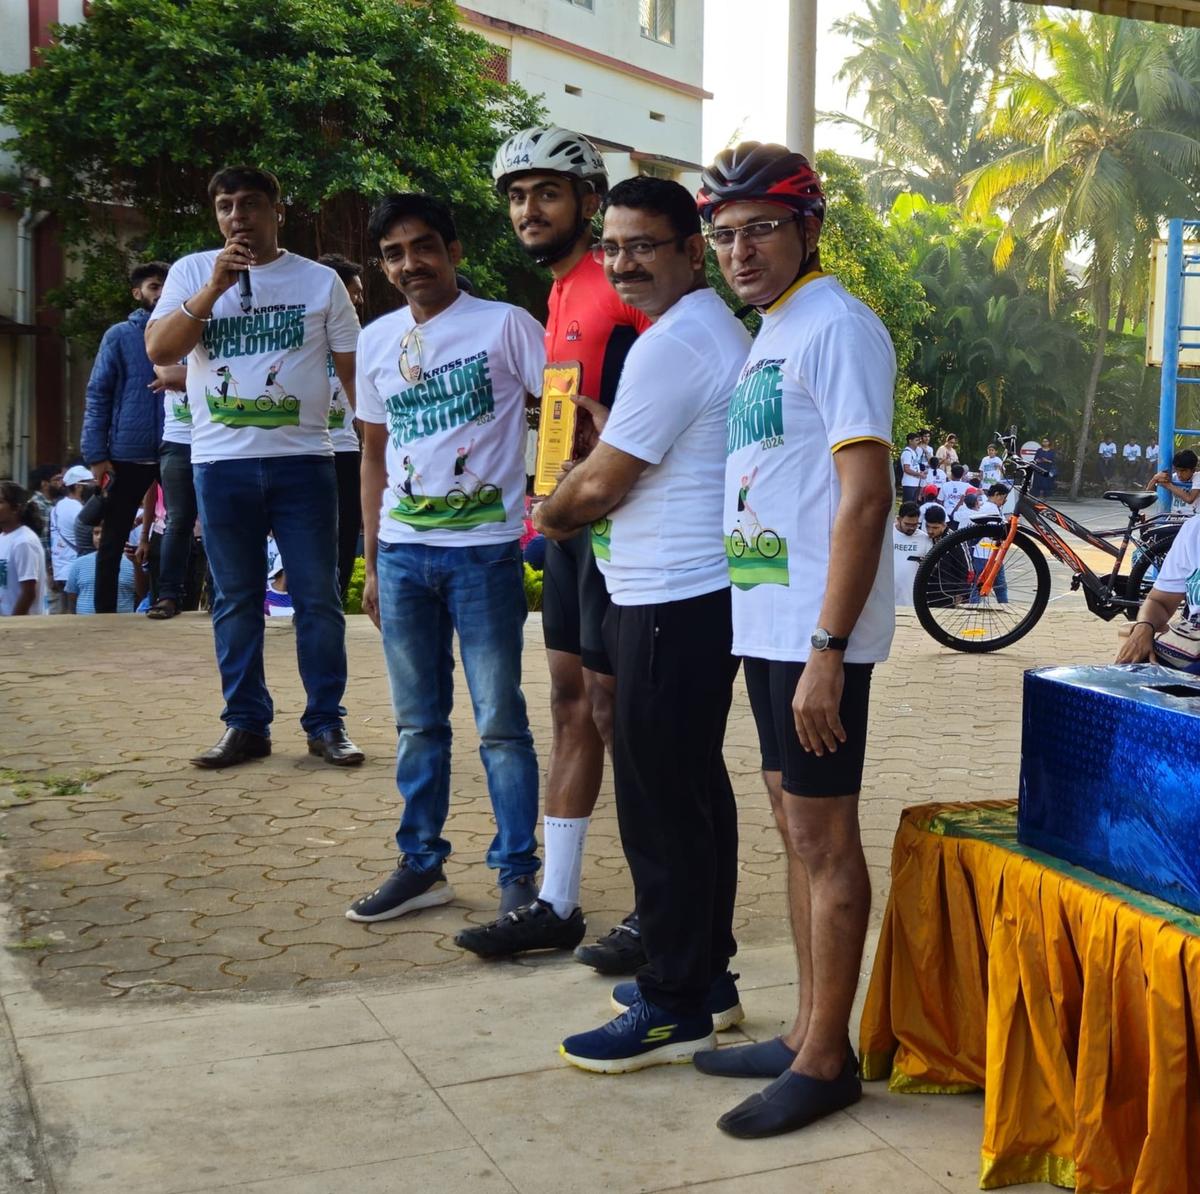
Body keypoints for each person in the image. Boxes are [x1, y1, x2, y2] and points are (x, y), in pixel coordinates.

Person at [692, 142, 896, 1138]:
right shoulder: (770, 336)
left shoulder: (837, 327)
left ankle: (827, 1059)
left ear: (808, 227)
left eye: (761, 227)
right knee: (790, 826)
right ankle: (808, 1027)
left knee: (823, 837)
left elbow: (865, 499)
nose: (739, 250)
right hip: (769, 626)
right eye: (723, 233)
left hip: (818, 638)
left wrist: (828, 645)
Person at [529, 176, 750, 1071]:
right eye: (613, 247)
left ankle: (669, 1000)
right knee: (694, 791)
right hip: (688, 595)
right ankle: (708, 977)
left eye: (644, 246)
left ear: (691, 252)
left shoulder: (676, 344)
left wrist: (547, 512)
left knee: (661, 805)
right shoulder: (705, 336)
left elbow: (603, 484)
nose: (623, 264)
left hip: (668, 598)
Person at [460, 126, 652, 970]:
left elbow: (673, 397)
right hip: (571, 526)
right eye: (515, 195)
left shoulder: (620, 285)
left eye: (546, 192)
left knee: (627, 717)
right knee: (570, 703)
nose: (527, 209)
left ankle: (663, 910)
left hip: (633, 531)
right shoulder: (559, 295)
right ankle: (557, 902)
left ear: (588, 200)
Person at [350, 193, 543, 924]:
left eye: (424, 247)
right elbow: (375, 451)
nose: (411, 264)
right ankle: (421, 865)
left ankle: (517, 873)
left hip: (484, 555)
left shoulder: (505, 325)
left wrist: (550, 505)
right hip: (401, 556)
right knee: (416, 724)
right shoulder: (376, 341)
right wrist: (371, 559)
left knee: (500, 721)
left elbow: (558, 409)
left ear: (455, 251)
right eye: (395, 254)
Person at [145, 165, 363, 769]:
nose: (237, 216)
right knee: (236, 599)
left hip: (304, 463)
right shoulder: (193, 272)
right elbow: (161, 350)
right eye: (225, 206)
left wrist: (381, 449)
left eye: (249, 204)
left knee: (318, 598)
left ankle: (326, 723)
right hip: (220, 465)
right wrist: (212, 287)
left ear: (277, 211)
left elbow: (355, 378)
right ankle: (245, 725)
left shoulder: (321, 283)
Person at [80, 262, 170, 614]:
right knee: (113, 538)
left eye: (166, 286)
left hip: (173, 450)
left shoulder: (186, 332)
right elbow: (98, 393)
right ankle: (103, 613)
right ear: (137, 293)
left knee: (181, 530)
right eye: (153, 286)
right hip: (125, 453)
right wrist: (96, 454)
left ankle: (170, 599)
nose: (160, 293)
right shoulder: (119, 335)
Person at [318, 253, 366, 603]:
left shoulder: (362, 339)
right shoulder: (302, 336)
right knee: (311, 531)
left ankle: (332, 601)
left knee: (348, 527)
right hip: (308, 450)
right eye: (355, 292)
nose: (359, 299)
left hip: (347, 448)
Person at [1116, 511, 1200, 664]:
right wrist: (1144, 627)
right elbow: (1160, 601)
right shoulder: (1194, 530)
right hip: (1189, 643)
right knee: (1125, 675)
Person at [65, 524, 138, 614]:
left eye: (104, 533)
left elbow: (139, 596)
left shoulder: (131, 563)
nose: (99, 537)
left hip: (121, 623)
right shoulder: (79, 564)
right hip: (85, 624)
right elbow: (72, 596)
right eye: (96, 533)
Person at [0, 481, 48, 616]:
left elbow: (28, 593)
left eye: (1, 502)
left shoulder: (24, 541)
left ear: (16, 508)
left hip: (21, 626)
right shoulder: (3, 537)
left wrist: (13, 623)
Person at [48, 465, 92, 611]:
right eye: (90, 483)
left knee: (66, 612)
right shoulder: (75, 508)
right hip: (74, 570)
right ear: (79, 486)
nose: (94, 486)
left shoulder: (59, 506)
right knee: (74, 612)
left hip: (62, 569)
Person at [892, 502, 931, 607]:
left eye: (915, 525)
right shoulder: (887, 534)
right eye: (907, 524)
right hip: (887, 598)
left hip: (911, 600)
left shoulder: (924, 539)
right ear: (899, 519)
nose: (911, 528)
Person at [1148, 449, 1198, 517]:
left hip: (1191, 519)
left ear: (1193, 470)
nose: (1179, 474)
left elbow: (1189, 499)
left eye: (1183, 471)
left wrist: (1169, 485)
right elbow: (1148, 493)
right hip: (1174, 518)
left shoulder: (1197, 477)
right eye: (1177, 470)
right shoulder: (1173, 477)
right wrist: (1154, 479)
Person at [899, 431, 925, 504]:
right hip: (909, 483)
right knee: (907, 505)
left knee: (912, 506)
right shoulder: (907, 452)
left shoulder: (914, 452)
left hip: (915, 483)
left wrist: (920, 472)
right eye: (916, 440)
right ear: (910, 441)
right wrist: (919, 474)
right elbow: (906, 469)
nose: (918, 442)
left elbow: (914, 466)